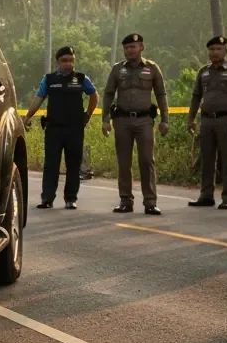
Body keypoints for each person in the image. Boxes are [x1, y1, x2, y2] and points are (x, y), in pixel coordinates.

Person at [23, 46, 98, 209]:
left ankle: (71, 198)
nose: (68, 64)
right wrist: (27, 117)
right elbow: (39, 98)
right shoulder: (48, 79)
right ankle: (47, 199)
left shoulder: (81, 79)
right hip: (54, 129)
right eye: (64, 61)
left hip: (75, 129)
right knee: (51, 164)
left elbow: (94, 95)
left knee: (73, 164)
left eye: (71, 60)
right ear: (58, 62)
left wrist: (88, 115)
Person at [102, 33, 169, 214]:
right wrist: (105, 119)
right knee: (124, 162)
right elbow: (108, 94)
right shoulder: (117, 69)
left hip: (144, 121)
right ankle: (125, 200)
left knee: (147, 160)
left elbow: (161, 95)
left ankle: (150, 202)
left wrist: (165, 120)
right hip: (122, 120)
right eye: (126, 48)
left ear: (141, 47)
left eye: (133, 47)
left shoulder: (152, 68)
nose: (129, 50)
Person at [187, 36, 227, 210]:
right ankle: (206, 195)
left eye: (218, 49)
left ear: (226, 51)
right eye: (212, 49)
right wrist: (191, 118)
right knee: (207, 159)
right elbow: (196, 96)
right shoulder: (204, 72)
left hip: (226, 120)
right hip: (207, 120)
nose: (215, 52)